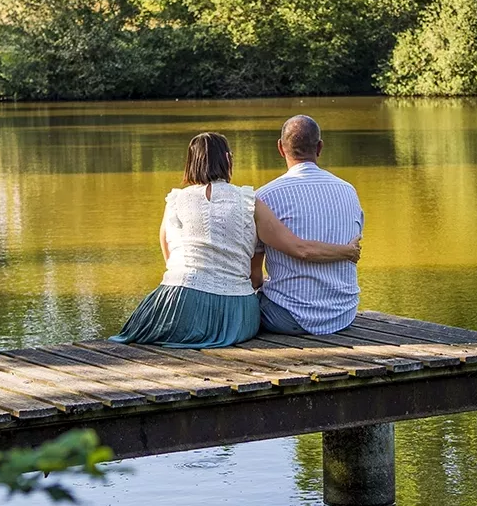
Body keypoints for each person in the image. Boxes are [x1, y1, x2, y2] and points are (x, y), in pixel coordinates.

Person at [112, 132, 360, 348]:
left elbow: (171, 261)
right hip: (235, 315)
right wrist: (347, 252)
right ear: (228, 160)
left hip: (177, 303)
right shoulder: (249, 201)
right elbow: (294, 250)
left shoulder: (175, 200)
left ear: (189, 163)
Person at [253, 115, 365, 335]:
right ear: (320, 147)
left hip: (288, 316)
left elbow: (254, 275)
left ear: (280, 148)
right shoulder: (348, 191)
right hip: (343, 314)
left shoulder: (264, 197)